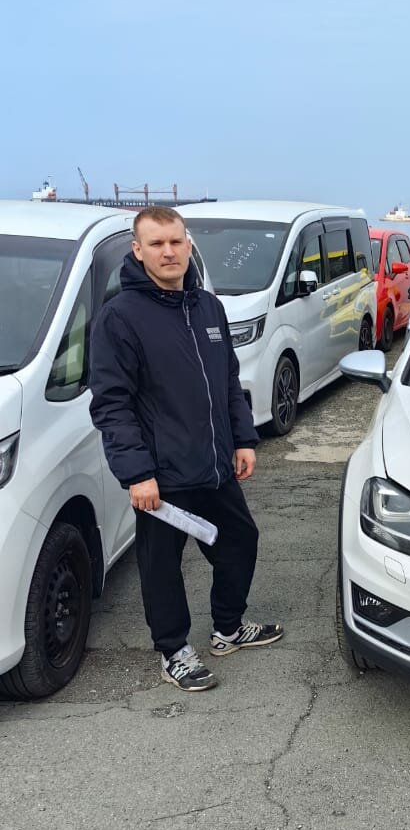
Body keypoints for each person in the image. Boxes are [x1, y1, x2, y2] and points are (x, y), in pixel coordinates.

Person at [89, 206, 282, 692]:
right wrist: (136, 473)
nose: (168, 251)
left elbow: (228, 380)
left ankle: (228, 629)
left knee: (240, 542)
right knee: (161, 568)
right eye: (156, 244)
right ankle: (173, 651)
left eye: (176, 241)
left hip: (214, 466)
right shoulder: (120, 317)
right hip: (162, 475)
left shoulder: (208, 307)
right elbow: (112, 404)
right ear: (138, 251)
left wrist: (243, 438)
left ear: (189, 245)